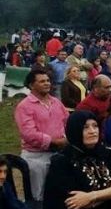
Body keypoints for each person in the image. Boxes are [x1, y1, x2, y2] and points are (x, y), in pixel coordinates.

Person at [14, 68, 69, 201]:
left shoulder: (56, 102)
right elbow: (29, 133)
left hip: (58, 154)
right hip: (36, 158)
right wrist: (54, 141)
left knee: (58, 193)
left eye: (48, 80)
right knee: (38, 197)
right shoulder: (24, 106)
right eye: (42, 81)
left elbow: (67, 121)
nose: (47, 83)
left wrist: (66, 138)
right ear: (32, 85)